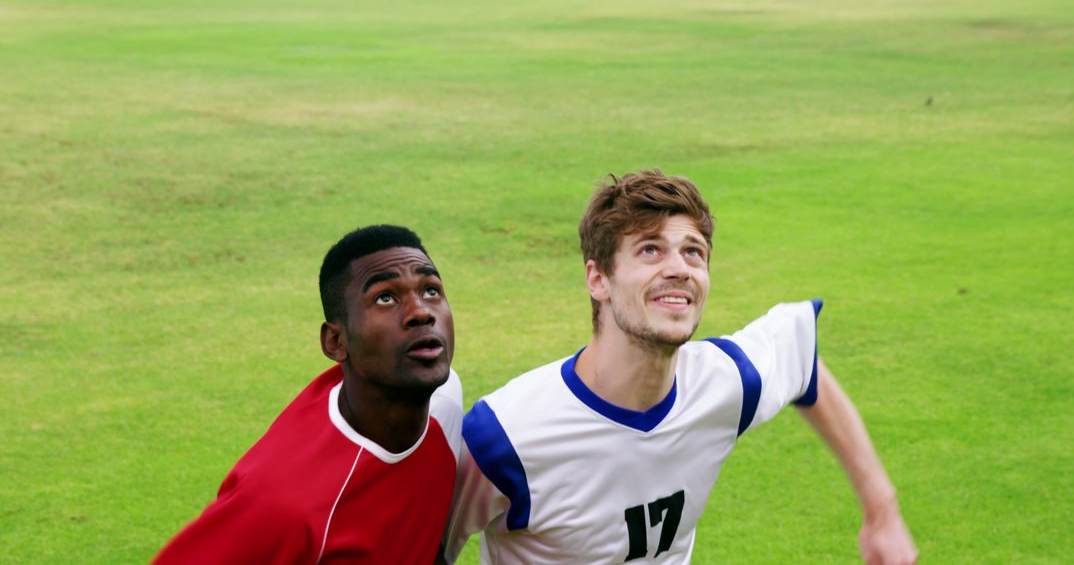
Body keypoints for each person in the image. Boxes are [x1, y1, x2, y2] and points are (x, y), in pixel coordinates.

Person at [443, 171, 917, 564]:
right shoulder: (503, 437)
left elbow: (802, 359)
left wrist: (882, 511)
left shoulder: (723, 382)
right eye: (650, 249)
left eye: (693, 251)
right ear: (598, 278)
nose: (679, 268)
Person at [156, 224, 462, 564]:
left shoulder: (443, 401)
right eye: (385, 297)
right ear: (336, 342)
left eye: (431, 290)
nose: (421, 312)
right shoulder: (282, 505)